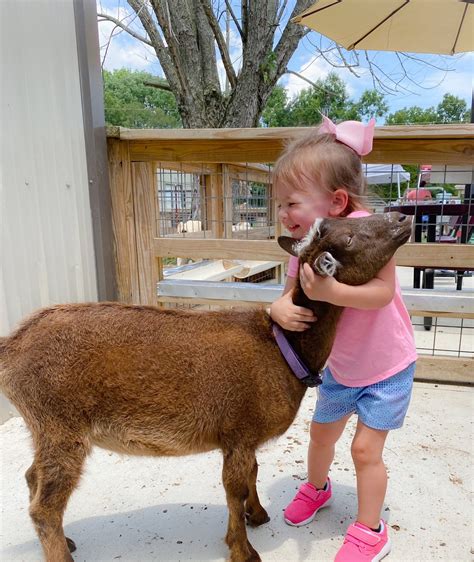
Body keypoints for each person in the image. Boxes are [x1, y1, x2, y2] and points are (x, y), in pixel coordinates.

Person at [269, 116, 417, 562]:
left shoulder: (367, 233)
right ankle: (317, 488)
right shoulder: (310, 243)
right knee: (320, 436)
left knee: (364, 449)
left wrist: (335, 293)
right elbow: (287, 293)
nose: (282, 214)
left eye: (291, 203)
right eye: (279, 204)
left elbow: (382, 293)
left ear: (335, 201)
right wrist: (277, 308)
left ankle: (370, 530)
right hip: (342, 367)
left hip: (387, 366)